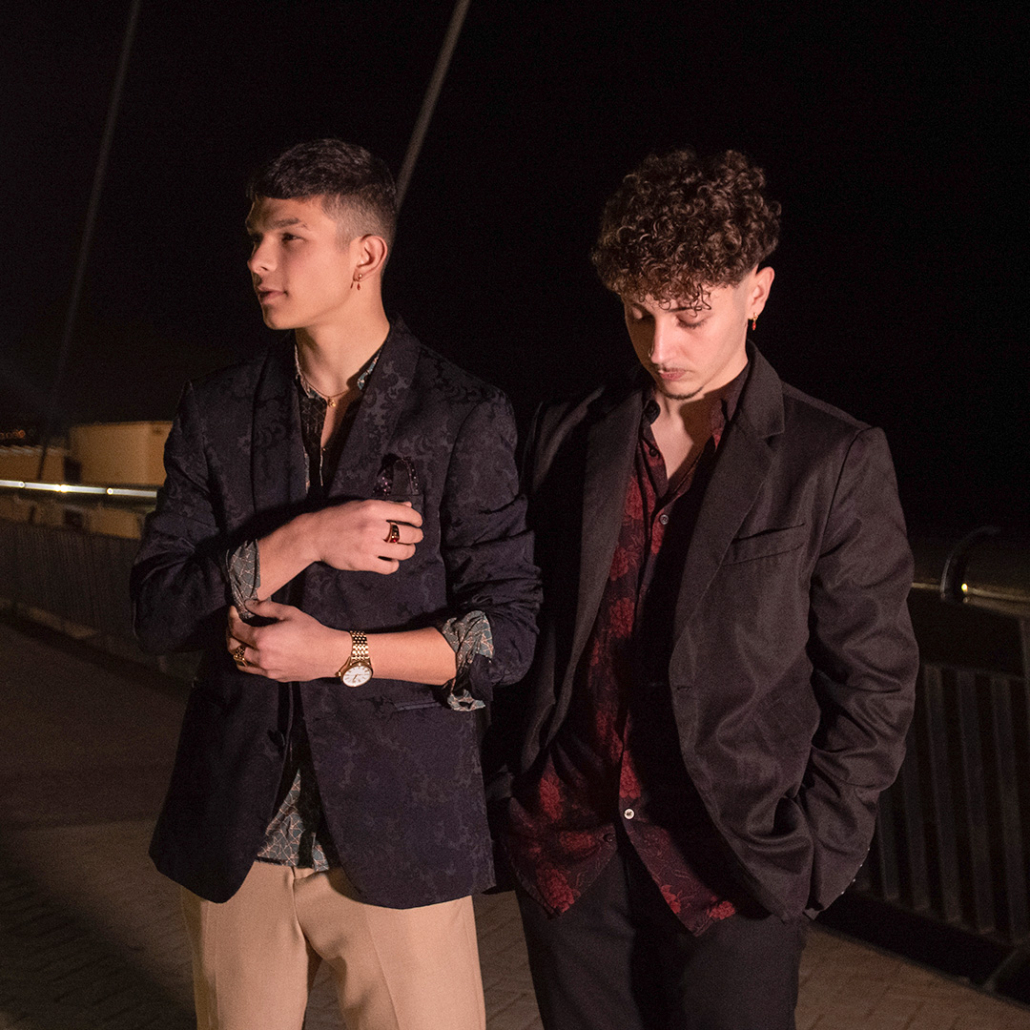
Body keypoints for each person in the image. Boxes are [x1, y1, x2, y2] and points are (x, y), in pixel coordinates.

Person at [490, 149, 919, 1030]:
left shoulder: (833, 458)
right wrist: (510, 791)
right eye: (639, 313)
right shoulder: (567, 434)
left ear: (757, 294)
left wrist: (814, 854)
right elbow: (520, 614)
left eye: (690, 315)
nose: (662, 346)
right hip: (569, 849)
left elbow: (875, 681)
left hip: (735, 866)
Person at [131, 138, 540, 1030]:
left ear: (365, 254)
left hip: (400, 836)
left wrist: (342, 654)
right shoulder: (217, 409)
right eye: (255, 237)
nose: (257, 260)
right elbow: (157, 609)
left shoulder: (462, 414)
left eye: (288, 237)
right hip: (236, 840)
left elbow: (507, 635)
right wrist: (304, 538)